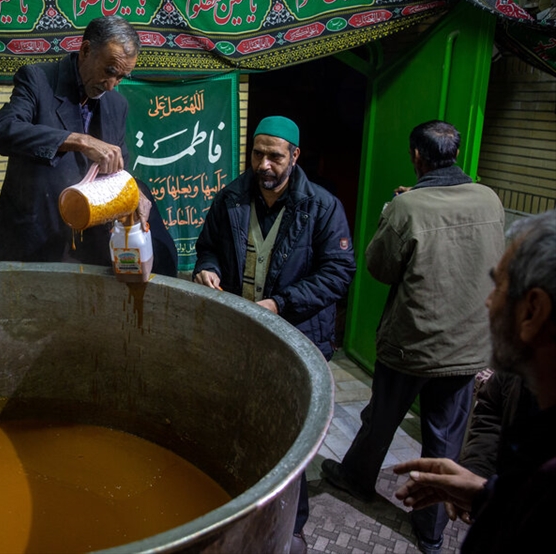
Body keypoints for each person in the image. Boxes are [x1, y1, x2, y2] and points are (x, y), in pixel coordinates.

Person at [321, 120, 505, 554]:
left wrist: (393, 211)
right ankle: (430, 531)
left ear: (417, 157)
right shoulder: (489, 198)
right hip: (468, 345)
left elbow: (380, 267)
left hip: (412, 345)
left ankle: (356, 480)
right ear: (455, 154)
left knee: (381, 419)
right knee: (445, 436)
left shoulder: (407, 209)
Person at [192, 115, 356, 554]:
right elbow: (207, 246)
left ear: (295, 156)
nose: (264, 164)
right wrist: (206, 268)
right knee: (237, 423)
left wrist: (281, 304)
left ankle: (291, 527)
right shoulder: (229, 197)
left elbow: (339, 273)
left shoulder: (322, 207)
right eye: (258, 153)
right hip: (239, 335)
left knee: (288, 434)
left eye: (275, 156)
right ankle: (235, 509)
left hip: (296, 339)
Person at [392, 209, 556, 554]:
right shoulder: (519, 379)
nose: (488, 301)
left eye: (498, 286)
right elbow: (493, 406)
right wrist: (485, 490)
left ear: (532, 311)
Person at [0, 15, 140, 267]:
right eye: (109, 71)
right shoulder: (37, 79)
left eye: (122, 77)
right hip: (33, 246)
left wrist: (136, 194)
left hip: (91, 250)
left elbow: (119, 167)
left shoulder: (116, 104)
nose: (112, 85)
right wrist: (78, 140)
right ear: (86, 50)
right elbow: (4, 130)